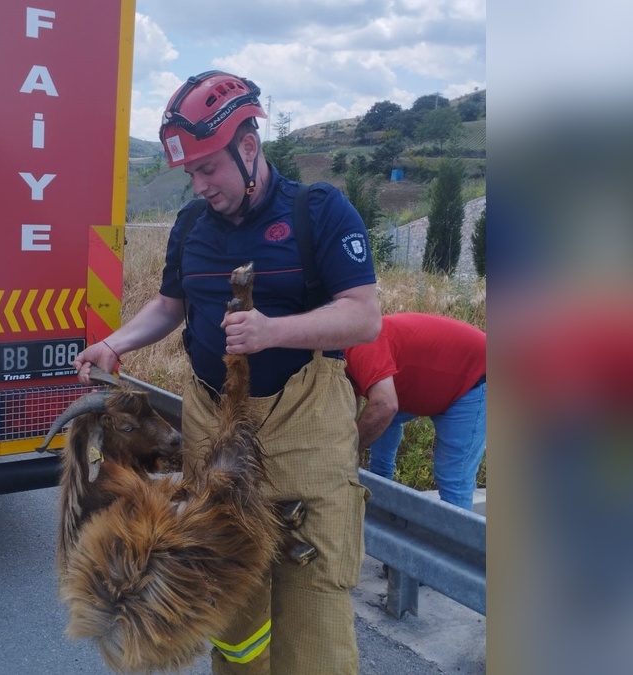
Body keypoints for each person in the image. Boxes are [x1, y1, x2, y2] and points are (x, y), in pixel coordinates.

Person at [73, 70, 380, 675]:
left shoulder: (318, 211)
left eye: (208, 167)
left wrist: (273, 332)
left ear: (247, 146)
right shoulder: (192, 227)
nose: (200, 184)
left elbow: (363, 317)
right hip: (213, 426)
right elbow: (171, 306)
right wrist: (113, 343)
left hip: (305, 433)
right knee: (231, 612)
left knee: (313, 614)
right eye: (190, 172)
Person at [343, 312, 487, 510]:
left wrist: (348, 451)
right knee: (379, 420)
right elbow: (353, 404)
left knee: (455, 478)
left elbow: (385, 406)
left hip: (475, 375)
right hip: (436, 376)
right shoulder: (343, 356)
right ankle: (378, 494)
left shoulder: (361, 347)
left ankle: (457, 539)